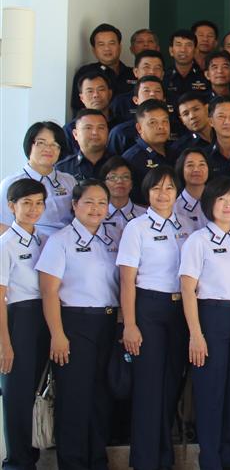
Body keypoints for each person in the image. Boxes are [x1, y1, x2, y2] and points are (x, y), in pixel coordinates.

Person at [35, 179, 119, 470]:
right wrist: (57, 335)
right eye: (89, 202)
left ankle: (97, 461)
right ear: (74, 205)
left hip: (107, 324)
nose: (96, 209)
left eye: (101, 203)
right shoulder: (61, 241)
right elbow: (49, 291)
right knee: (74, 399)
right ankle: (72, 463)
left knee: (99, 398)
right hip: (74, 325)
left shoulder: (111, 238)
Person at [179, 177, 230, 470]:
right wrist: (195, 335)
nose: (228, 205)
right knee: (211, 394)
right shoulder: (198, 241)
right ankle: (210, 462)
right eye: (221, 199)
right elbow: (188, 289)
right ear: (209, 204)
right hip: (210, 318)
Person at [116, 165, 189, 470]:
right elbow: (126, 280)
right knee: (148, 387)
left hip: (179, 310)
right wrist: (130, 324)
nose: (163, 194)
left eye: (169, 188)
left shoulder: (186, 225)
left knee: (171, 385)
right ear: (147, 193)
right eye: (157, 188)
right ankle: (145, 461)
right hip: (148, 308)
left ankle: (164, 457)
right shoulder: (137, 228)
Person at [0, 179, 49, 470]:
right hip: (18, 319)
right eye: (26, 203)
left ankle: (30, 454)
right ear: (11, 207)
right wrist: (4, 343)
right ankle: (16, 461)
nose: (33, 209)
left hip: (42, 316)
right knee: (16, 392)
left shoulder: (42, 239)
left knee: (33, 389)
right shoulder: (5, 244)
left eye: (39, 203)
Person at [0, 121, 75, 237]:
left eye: (55, 144)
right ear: (29, 145)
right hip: (29, 249)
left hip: (67, 246)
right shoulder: (11, 183)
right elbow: (3, 226)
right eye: (41, 143)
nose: (48, 149)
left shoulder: (69, 181)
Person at [57, 109, 113, 181]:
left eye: (101, 128)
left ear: (108, 132)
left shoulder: (119, 165)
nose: (95, 132)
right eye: (88, 128)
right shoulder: (62, 169)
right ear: (75, 134)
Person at [99, 156, 145, 242]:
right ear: (104, 184)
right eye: (113, 177)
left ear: (131, 184)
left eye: (125, 177)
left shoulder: (144, 214)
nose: (119, 181)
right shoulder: (95, 215)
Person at [174, 148, 210, 232]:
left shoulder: (219, 201)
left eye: (202, 164)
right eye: (190, 165)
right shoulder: (175, 207)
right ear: (181, 169)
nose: (197, 169)